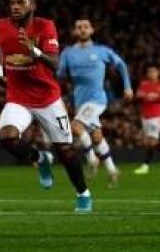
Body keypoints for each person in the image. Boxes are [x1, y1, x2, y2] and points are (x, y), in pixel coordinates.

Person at [0, 0, 92, 212]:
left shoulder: (45, 26)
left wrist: (34, 51)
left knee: (65, 150)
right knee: (7, 137)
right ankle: (40, 158)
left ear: (32, 6)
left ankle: (83, 193)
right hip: (18, 98)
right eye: (12, 3)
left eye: (21, 3)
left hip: (48, 99)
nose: (15, 6)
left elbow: (56, 64)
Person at [57, 19, 133, 186]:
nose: (82, 30)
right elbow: (60, 77)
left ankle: (91, 159)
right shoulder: (68, 53)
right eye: (79, 27)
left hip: (98, 99)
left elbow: (121, 65)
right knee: (97, 136)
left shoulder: (101, 51)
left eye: (85, 27)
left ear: (92, 30)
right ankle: (113, 170)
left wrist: (127, 87)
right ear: (74, 32)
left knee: (76, 126)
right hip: (79, 101)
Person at [133, 66, 160, 175]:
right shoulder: (143, 84)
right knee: (150, 143)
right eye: (149, 72)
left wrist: (155, 96)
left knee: (152, 141)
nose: (151, 73)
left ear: (158, 73)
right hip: (145, 116)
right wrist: (150, 96)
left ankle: (145, 165)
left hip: (157, 115)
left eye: (153, 71)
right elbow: (139, 95)